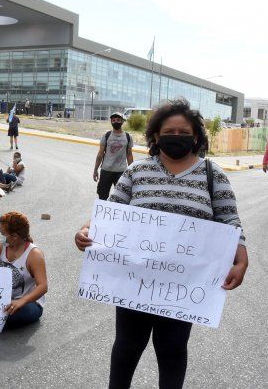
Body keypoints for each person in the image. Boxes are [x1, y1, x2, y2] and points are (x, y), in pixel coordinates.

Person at [74, 99, 247, 389]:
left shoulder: (211, 174)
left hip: (183, 287)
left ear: (196, 137)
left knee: (172, 350)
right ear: (155, 136)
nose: (176, 137)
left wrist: (241, 260)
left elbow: (230, 220)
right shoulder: (136, 172)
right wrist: (85, 230)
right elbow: (113, 212)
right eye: (169, 131)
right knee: (127, 347)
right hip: (134, 281)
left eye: (183, 133)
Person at [93, 112, 134, 200]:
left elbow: (129, 155)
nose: (116, 122)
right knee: (102, 196)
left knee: (122, 198)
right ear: (111, 122)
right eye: (113, 120)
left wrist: (132, 172)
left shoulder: (128, 137)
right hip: (106, 171)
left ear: (122, 121)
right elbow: (100, 154)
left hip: (121, 172)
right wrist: (95, 170)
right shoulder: (106, 136)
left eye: (118, 120)